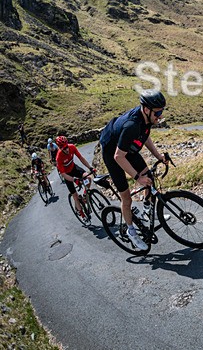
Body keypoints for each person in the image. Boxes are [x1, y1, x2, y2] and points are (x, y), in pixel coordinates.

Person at [98, 90, 168, 251]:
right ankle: (131, 231)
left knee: (149, 178)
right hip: (113, 153)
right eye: (158, 113)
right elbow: (118, 157)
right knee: (127, 198)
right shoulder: (132, 126)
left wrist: (158, 156)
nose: (160, 116)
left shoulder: (146, 118)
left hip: (127, 148)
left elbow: (145, 136)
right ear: (147, 109)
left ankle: (146, 212)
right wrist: (137, 177)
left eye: (162, 112)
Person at [54, 135, 96, 218]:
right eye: (64, 148)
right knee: (75, 196)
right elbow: (63, 174)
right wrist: (74, 180)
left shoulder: (72, 147)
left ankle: (85, 196)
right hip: (67, 175)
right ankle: (82, 214)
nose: (66, 149)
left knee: (88, 178)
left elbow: (81, 158)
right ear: (60, 148)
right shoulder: (59, 157)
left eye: (66, 146)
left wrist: (90, 168)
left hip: (73, 168)